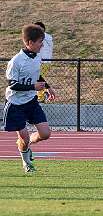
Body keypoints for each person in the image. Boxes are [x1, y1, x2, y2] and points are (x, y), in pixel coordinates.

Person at [3, 24, 56, 173]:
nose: (42, 45)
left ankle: (27, 145)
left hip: (31, 102)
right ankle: (27, 164)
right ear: (30, 43)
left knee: (45, 134)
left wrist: (47, 86)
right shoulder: (16, 61)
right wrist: (33, 87)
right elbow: (12, 85)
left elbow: (36, 75)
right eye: (40, 42)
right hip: (15, 104)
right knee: (24, 139)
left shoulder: (37, 57)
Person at [34, 21, 54, 103]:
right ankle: (41, 95)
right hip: (45, 62)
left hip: (42, 62)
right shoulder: (48, 37)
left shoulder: (43, 37)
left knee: (39, 79)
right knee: (39, 78)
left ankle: (41, 97)